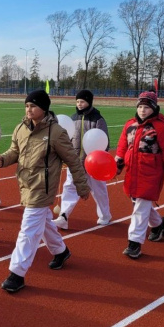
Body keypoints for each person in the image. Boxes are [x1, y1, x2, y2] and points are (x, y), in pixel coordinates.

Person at [0, 90, 90, 294]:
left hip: (42, 188)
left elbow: (73, 160)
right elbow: (15, 150)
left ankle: (17, 274)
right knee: (45, 222)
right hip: (25, 184)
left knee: (28, 231)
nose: (29, 109)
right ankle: (61, 251)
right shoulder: (20, 127)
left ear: (44, 108)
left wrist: (82, 186)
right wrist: (4, 158)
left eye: (33, 106)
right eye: (27, 105)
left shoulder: (56, 132)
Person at [115, 91, 164, 260]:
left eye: (146, 107)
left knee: (140, 207)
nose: (142, 110)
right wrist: (117, 165)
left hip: (150, 172)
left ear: (154, 108)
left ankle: (134, 243)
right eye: (140, 106)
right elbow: (122, 147)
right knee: (138, 202)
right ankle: (158, 226)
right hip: (132, 171)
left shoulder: (162, 128)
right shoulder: (130, 125)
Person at [53, 90, 112, 229]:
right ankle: (63, 216)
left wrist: (99, 157)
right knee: (69, 188)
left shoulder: (98, 119)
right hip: (75, 161)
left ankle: (105, 215)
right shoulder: (73, 118)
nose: (79, 104)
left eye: (82, 102)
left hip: (94, 163)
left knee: (98, 190)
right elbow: (67, 139)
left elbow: (104, 141)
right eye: (78, 101)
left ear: (89, 102)